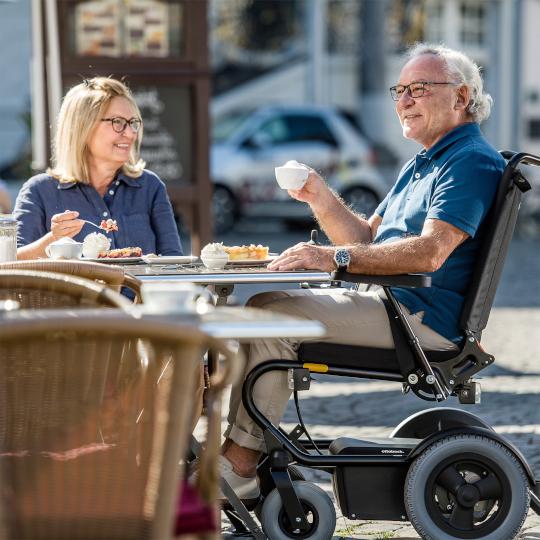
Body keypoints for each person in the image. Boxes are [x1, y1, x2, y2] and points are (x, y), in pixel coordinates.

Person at [216, 43, 506, 502]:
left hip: (420, 320)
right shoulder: (423, 161)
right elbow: (367, 240)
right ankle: (231, 448)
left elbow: (431, 252)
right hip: (393, 305)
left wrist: (333, 259)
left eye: (419, 89)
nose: (404, 100)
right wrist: (318, 196)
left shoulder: (468, 160)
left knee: (270, 318)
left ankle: (239, 464)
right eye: (400, 90)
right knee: (256, 311)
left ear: (461, 97)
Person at [13, 77, 182, 259]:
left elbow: (174, 261)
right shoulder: (39, 191)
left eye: (133, 122)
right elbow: (11, 263)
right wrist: (53, 239)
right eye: (118, 122)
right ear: (83, 127)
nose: (130, 132)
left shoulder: (150, 186)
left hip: (140, 289)